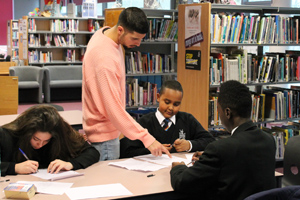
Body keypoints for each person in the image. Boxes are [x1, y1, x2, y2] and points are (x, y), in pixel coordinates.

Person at [82, 7, 170, 161]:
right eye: (135, 39)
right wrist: (147, 139)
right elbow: (113, 109)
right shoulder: (104, 59)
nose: (138, 44)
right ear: (121, 30)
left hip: (105, 132)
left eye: (141, 39)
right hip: (104, 139)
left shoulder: (104, 33)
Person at [170, 80, 276, 200]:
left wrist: (179, 168)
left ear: (227, 112)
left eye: (218, 110)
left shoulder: (220, 149)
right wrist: (208, 159)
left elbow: (183, 183)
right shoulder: (268, 140)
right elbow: (240, 164)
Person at [120, 80, 215, 158]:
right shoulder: (144, 122)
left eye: (176, 104)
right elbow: (126, 151)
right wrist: (151, 149)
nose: (171, 108)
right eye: (167, 102)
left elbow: (210, 141)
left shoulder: (187, 120)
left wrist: (189, 145)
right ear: (158, 97)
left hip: (179, 170)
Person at [0, 105, 100, 176]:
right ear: (27, 133)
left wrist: (71, 164)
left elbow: (92, 152)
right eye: (36, 139)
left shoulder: (61, 133)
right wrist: (14, 168)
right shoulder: (7, 135)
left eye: (46, 141)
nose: (40, 145)